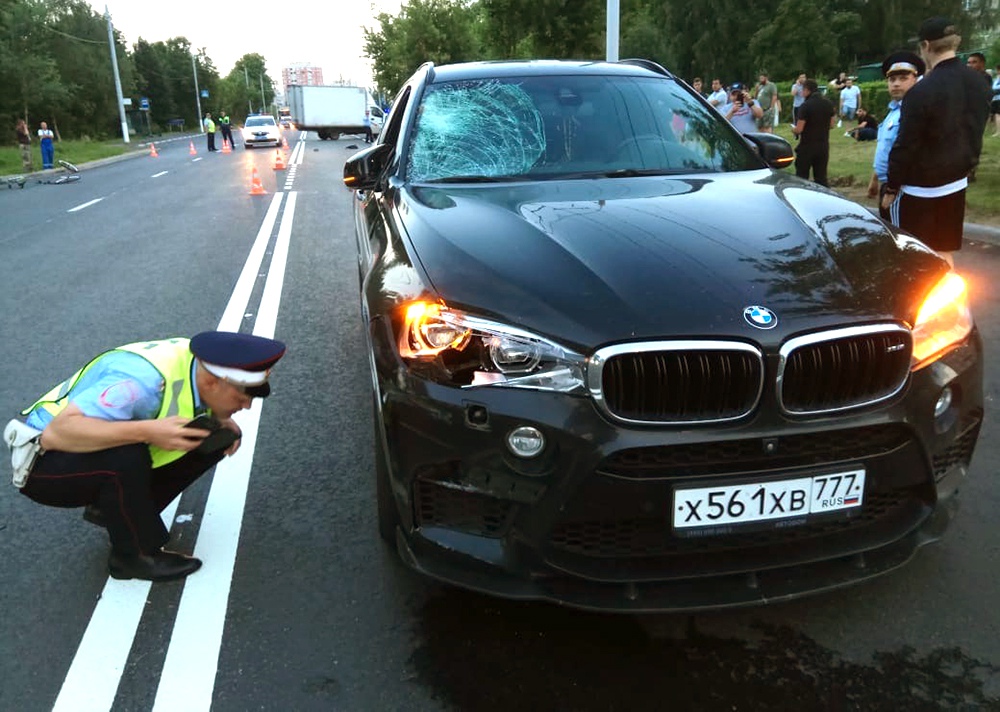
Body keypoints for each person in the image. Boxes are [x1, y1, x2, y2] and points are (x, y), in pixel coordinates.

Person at [10, 331, 286, 582]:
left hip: (81, 450)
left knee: (212, 437)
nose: (247, 405)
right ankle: (132, 558)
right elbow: (58, 434)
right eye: (241, 397)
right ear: (214, 382)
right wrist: (148, 431)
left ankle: (116, 510)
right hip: (42, 463)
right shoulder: (140, 383)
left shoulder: (197, 364)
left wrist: (217, 416)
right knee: (127, 455)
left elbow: (186, 402)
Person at [885, 17, 991, 265]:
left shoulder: (921, 92)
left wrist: (891, 188)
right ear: (957, 42)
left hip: (919, 189)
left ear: (925, 45)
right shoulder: (979, 82)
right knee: (944, 253)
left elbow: (906, 145)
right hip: (956, 183)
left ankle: (913, 301)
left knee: (910, 254)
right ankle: (952, 302)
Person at [868, 51, 925, 220]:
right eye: (892, 80)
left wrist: (892, 189)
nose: (896, 84)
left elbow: (907, 151)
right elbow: (884, 148)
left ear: (915, 79)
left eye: (903, 78)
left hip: (902, 188)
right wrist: (875, 179)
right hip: (888, 184)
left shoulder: (913, 111)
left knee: (900, 238)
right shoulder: (893, 111)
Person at [791, 78, 836, 186]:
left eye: (803, 90)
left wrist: (793, 129)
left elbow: (799, 129)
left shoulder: (805, 106)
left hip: (807, 146)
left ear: (807, 90)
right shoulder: (828, 103)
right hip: (823, 146)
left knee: (802, 178)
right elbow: (832, 125)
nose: (802, 92)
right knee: (821, 178)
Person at [993, 64, 1000, 137]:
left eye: (996, 70)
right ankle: (997, 130)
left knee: (998, 115)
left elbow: (995, 88)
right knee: (996, 115)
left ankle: (998, 132)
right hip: (996, 98)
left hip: (998, 98)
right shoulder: (997, 78)